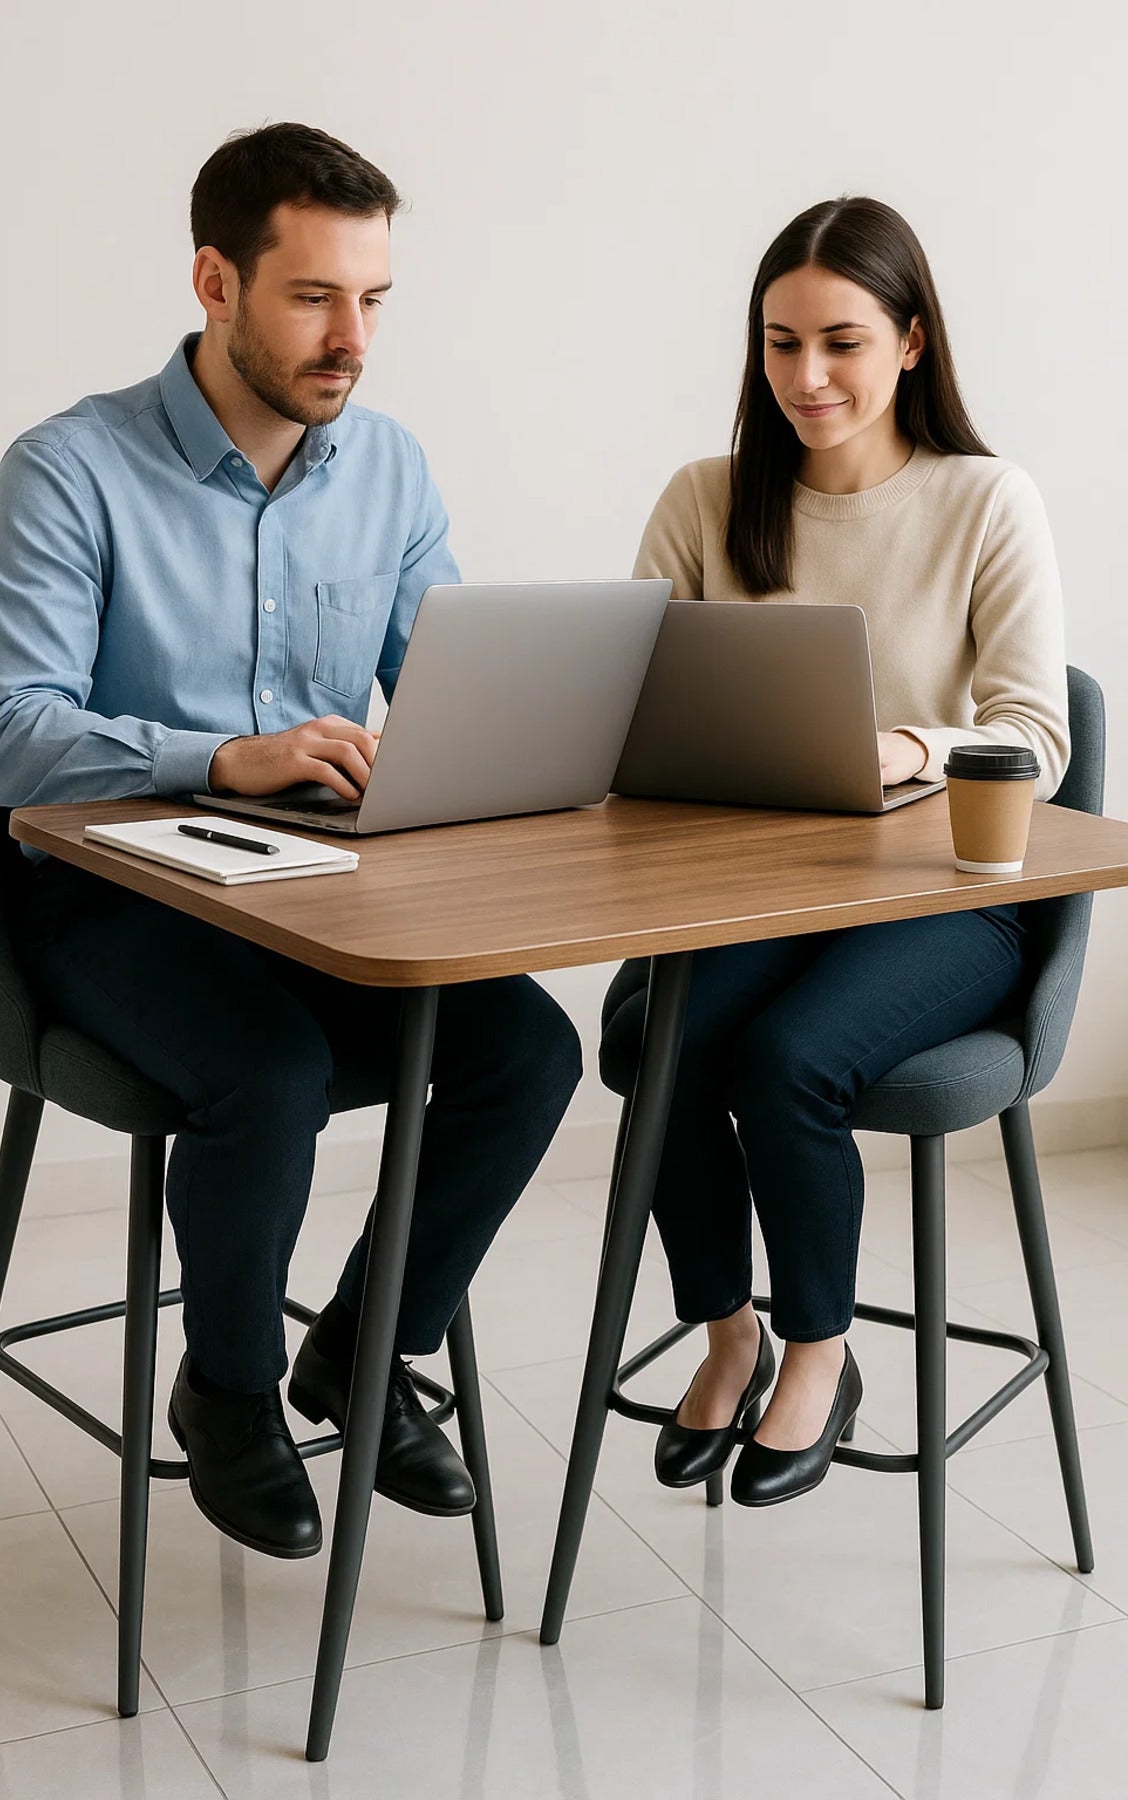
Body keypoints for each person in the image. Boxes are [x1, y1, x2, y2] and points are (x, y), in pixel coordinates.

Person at [0, 123, 581, 1557]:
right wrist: (218, 758)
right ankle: (229, 1392)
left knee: (531, 1054)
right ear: (215, 282)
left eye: (373, 300)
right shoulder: (69, 470)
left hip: (319, 897)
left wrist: (510, 743)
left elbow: (446, 687)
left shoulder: (391, 471)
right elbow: (5, 738)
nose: (350, 337)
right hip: (113, 906)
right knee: (273, 1071)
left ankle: (361, 1356)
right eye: (314, 297)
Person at [629, 195, 1067, 1506]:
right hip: (759, 893)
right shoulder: (707, 501)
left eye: (842, 343)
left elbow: (1035, 735)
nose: (806, 378)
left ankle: (821, 1355)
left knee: (786, 1059)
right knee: (658, 1040)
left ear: (913, 344)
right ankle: (729, 1339)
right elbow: (628, 707)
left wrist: (911, 748)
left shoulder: (986, 501)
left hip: (951, 901)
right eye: (778, 344)